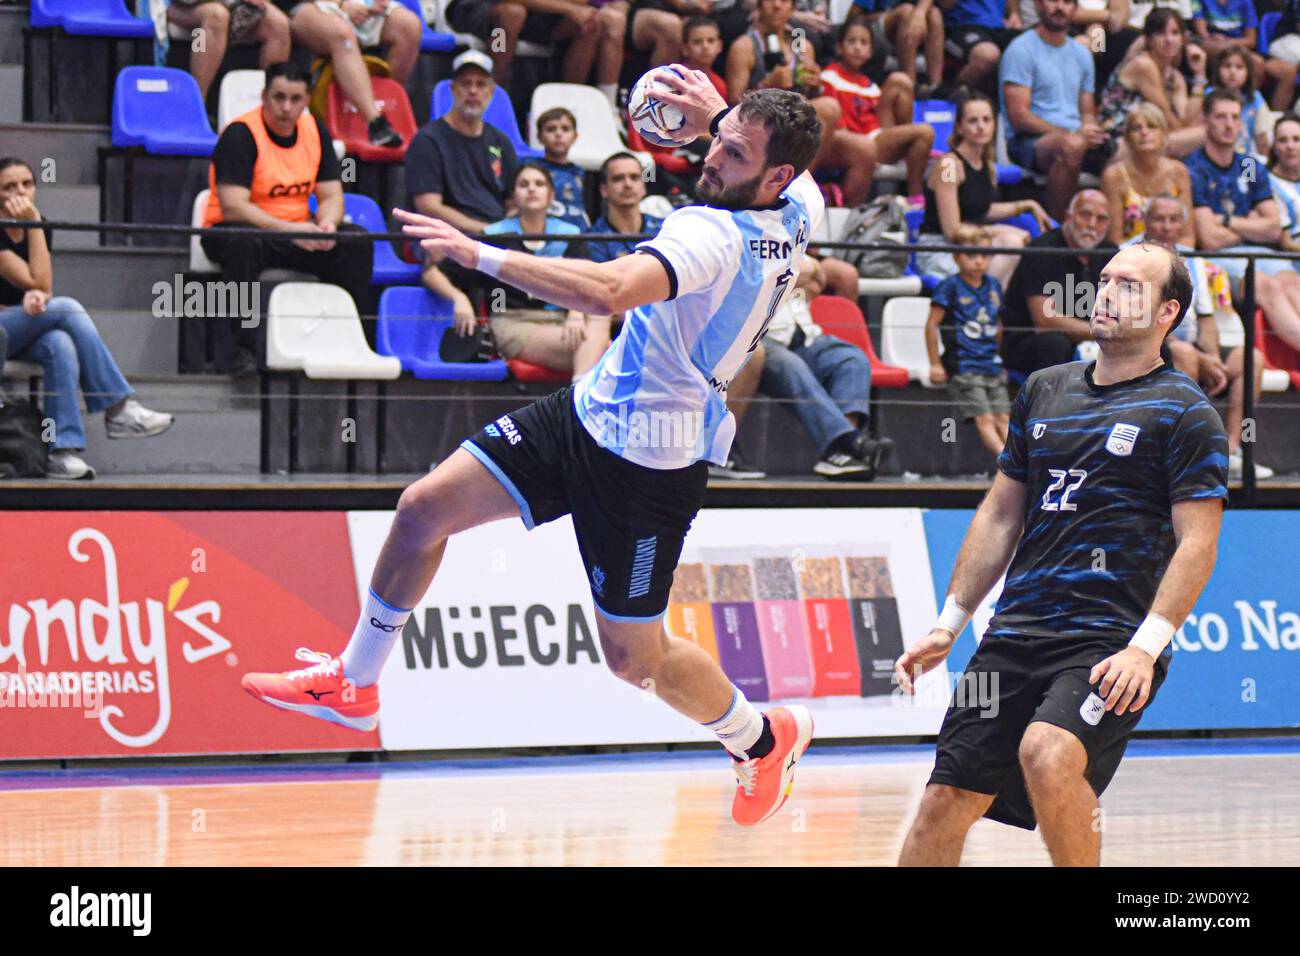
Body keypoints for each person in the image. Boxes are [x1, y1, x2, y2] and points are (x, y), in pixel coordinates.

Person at [242, 75, 822, 826]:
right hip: (585, 414)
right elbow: (782, 164)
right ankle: (355, 681)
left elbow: (610, 291)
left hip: (650, 466)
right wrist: (719, 120)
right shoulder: (800, 202)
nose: (712, 158)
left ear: (773, 175)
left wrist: (479, 255)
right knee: (422, 510)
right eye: (721, 140)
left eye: (733, 154)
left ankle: (759, 737)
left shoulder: (710, 236)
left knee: (633, 660)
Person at [896, 241, 1228, 866]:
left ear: (1167, 313)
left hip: (1107, 644)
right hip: (1014, 633)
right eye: (1105, 280)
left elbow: (1199, 542)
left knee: (1047, 754)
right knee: (944, 799)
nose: (1106, 293)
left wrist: (1144, 647)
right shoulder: (1044, 390)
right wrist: (949, 624)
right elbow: (1000, 512)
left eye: (1130, 286)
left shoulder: (1187, 412)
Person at [590, 151, 767, 479]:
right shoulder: (594, 239)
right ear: (603, 190)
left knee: (759, 355)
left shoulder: (669, 229)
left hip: (686, 324)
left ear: (644, 187)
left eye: (634, 177)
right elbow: (603, 304)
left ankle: (714, 451)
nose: (628, 185)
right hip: (633, 332)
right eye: (618, 179)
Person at [0, 158, 174, 480]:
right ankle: (118, 408)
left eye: (26, 184)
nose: (20, 192)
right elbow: (42, 284)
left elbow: (39, 287)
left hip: (20, 329)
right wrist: (36, 290)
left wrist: (35, 293)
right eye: (9, 187)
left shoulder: (38, 225)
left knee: (60, 344)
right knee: (67, 309)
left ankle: (60, 451)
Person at [201, 62, 373, 377]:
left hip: (297, 230)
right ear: (264, 96)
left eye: (295, 99)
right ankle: (243, 352)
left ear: (306, 100)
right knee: (244, 242)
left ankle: (349, 340)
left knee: (357, 242)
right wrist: (290, 230)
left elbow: (332, 197)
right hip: (240, 230)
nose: (286, 107)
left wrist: (327, 226)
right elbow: (233, 207)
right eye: (278, 97)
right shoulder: (240, 134)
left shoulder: (315, 131)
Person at [1129, 194, 1273, 478]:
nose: (1167, 227)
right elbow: (1138, 319)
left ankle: (1232, 450)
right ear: (1145, 221)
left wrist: (1213, 359)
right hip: (1149, 344)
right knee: (1183, 353)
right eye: (1159, 219)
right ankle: (1187, 453)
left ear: (1183, 224)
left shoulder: (1192, 258)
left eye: (1174, 220)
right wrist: (1191, 352)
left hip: (1192, 343)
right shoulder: (1129, 256)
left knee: (1250, 358)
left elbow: (1206, 319)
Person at [405, 51, 519, 330]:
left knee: (534, 253)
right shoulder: (428, 140)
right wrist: (483, 230)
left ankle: (508, 333)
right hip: (446, 231)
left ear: (491, 92)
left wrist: (503, 226)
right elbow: (428, 206)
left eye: (481, 84)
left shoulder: (500, 141)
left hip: (494, 233)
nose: (473, 91)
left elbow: (514, 201)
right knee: (439, 253)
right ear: (453, 90)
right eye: (466, 83)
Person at [727, 0, 876, 206]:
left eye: (784, 1)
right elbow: (734, 103)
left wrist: (815, 83)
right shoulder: (744, 46)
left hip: (798, 129)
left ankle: (846, 220)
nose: (777, 6)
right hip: (763, 130)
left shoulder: (800, 42)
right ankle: (789, 190)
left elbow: (809, 95)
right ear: (760, 5)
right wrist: (767, 84)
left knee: (865, 148)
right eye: (772, 1)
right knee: (828, 108)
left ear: (793, 8)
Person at [1187, 88, 1300, 354]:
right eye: (1221, 117)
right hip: (1215, 258)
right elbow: (1209, 239)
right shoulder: (1193, 168)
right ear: (1205, 121)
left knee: (1293, 281)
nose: (1229, 124)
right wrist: (1249, 226)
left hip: (1257, 250)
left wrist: (1224, 220)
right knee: (1265, 285)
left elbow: (1273, 227)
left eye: (1235, 117)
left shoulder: (1248, 165)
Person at [759, 256, 893, 480]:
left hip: (805, 338)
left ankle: (841, 454)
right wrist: (794, 274)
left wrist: (798, 274)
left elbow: (816, 275)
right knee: (791, 365)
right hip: (759, 342)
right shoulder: (740, 241)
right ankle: (851, 443)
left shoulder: (790, 238)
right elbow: (794, 273)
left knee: (852, 359)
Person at [481, 164, 611, 380]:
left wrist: (576, 311)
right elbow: (441, 272)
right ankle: (577, 398)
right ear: (513, 196)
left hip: (564, 321)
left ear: (551, 196)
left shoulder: (570, 234)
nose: (532, 189)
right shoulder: (494, 236)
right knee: (606, 352)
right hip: (514, 322)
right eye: (524, 185)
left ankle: (575, 395)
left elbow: (584, 283)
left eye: (539, 184)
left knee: (601, 314)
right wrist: (458, 298)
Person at [918, 91, 1053, 288]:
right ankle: (988, 306)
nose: (981, 127)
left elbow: (981, 209)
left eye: (986, 120)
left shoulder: (986, 164)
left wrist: (1027, 205)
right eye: (973, 121)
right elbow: (952, 230)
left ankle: (993, 308)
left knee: (1016, 243)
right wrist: (999, 230)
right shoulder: (949, 166)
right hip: (941, 248)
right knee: (1012, 241)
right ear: (959, 127)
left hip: (971, 245)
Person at [1000, 0, 1106, 221]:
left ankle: (1118, 240)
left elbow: (1086, 111)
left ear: (1075, 9)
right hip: (1029, 141)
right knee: (1070, 146)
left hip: (1074, 136)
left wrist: (1089, 128)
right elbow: (1019, 117)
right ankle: (1062, 233)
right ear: (1038, 5)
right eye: (1053, 0)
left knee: (1129, 147)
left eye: (1067, 2)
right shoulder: (1021, 49)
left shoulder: (1082, 54)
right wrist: (1073, 134)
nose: (1060, 7)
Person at [819, 15, 934, 205]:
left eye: (864, 43)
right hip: (846, 143)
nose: (857, 47)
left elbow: (876, 123)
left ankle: (915, 198)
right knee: (867, 147)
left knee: (925, 131)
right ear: (839, 47)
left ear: (871, 51)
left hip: (874, 140)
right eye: (851, 41)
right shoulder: (829, 76)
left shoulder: (870, 85)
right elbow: (831, 122)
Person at [1001, 189, 1115, 376]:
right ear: (1068, 216)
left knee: (1156, 347)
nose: (1092, 225)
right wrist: (1103, 332)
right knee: (1055, 343)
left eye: (1101, 219)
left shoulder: (1110, 253)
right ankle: (1051, 405)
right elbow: (1045, 320)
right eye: (1085, 215)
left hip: (1091, 335)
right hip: (1029, 339)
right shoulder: (1042, 250)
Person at [273, 0, 418, 147]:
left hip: (357, 4)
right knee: (342, 34)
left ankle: (390, 111)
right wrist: (341, 4)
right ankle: (376, 123)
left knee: (409, 26)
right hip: (306, 6)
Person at [925, 225, 1012, 459]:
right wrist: (935, 364)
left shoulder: (994, 285)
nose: (979, 261)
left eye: (984, 255)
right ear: (956, 256)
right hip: (964, 365)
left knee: (1004, 417)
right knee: (984, 417)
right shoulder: (949, 287)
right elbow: (931, 324)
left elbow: (998, 325)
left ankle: (1018, 463)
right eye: (971, 255)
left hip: (991, 364)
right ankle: (1008, 466)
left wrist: (999, 357)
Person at [1092, 8, 1206, 163]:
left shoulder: (1175, 77)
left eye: (1174, 33)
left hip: (1150, 136)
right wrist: (1188, 136)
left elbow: (1187, 119)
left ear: (1183, 39)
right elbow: (1166, 117)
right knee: (1205, 134)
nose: (1169, 39)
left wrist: (1200, 76)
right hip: (1118, 140)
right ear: (1148, 39)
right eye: (1161, 33)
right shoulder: (1143, 65)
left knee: (1204, 133)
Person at [1100, 102, 1195, 245]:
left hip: (1173, 257)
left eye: (1151, 126)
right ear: (1127, 139)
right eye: (1136, 128)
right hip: (1130, 256)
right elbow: (1114, 240)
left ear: (1164, 135)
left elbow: (1187, 238)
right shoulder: (1114, 176)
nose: (1144, 132)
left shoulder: (1178, 172)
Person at [167, 0, 291, 104]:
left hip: (234, 6)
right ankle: (196, 101)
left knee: (279, 24)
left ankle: (270, 101)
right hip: (179, 6)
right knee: (217, 16)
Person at [1192, 0, 1297, 112]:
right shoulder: (1201, 1)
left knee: (1284, 70)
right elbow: (1202, 33)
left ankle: (1273, 118)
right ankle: (1236, 108)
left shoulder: (1245, 2)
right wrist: (1219, 43)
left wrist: (1229, 42)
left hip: (1240, 48)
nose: (1233, 72)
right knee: (1233, 56)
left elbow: (1251, 40)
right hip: (1212, 46)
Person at [850, 0, 946, 96]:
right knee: (906, 11)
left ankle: (936, 87)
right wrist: (888, 15)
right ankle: (910, 85)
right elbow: (853, 19)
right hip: (879, 30)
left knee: (934, 13)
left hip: (916, 29)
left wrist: (919, 14)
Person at [940, 0, 1019, 95]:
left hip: (1001, 26)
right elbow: (945, 5)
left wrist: (1014, 13)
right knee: (988, 56)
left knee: (1031, 49)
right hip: (961, 25)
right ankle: (951, 95)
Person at [1208, 43, 1270, 161]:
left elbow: (1262, 139)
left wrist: (1265, 165)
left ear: (1248, 72)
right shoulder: (1209, 95)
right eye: (1227, 66)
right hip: (1214, 158)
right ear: (1217, 69)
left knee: (1251, 178)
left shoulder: (1255, 98)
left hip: (1246, 159)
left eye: (1239, 67)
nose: (1232, 72)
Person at [534, 108, 591, 231]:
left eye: (565, 129)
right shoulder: (533, 170)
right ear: (539, 137)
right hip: (546, 234)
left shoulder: (579, 172)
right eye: (551, 129)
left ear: (575, 136)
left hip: (579, 235)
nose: (558, 134)